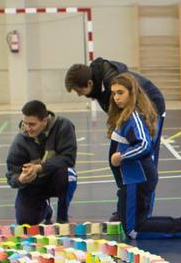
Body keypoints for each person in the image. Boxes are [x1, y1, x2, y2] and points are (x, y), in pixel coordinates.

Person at [104, 74, 181, 239]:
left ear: (132, 94)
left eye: (120, 93)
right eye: (113, 93)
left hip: (138, 179)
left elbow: (144, 145)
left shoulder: (132, 118)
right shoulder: (124, 116)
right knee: (135, 222)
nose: (116, 97)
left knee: (134, 230)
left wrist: (121, 157)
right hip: (131, 180)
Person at [64, 56, 167, 222]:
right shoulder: (99, 86)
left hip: (151, 108)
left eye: (78, 91)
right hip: (129, 115)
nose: (79, 95)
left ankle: (144, 211)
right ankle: (125, 205)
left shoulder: (111, 82)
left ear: (89, 84)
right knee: (115, 159)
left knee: (145, 159)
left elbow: (131, 107)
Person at [8, 99, 77, 225]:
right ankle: (46, 209)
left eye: (32, 124)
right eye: (25, 123)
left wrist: (39, 168)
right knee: (25, 222)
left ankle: (62, 217)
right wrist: (21, 179)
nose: (28, 128)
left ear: (44, 121)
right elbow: (11, 175)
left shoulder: (63, 126)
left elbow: (68, 158)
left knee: (68, 174)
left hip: (56, 178)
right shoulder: (19, 141)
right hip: (34, 184)